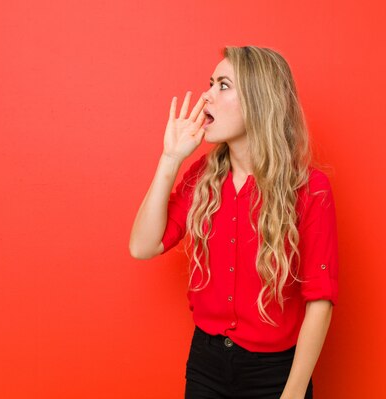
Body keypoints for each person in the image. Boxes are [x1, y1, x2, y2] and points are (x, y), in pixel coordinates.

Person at [129, 45, 339, 399]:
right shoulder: (202, 176)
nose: (207, 96)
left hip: (275, 374)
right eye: (210, 83)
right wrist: (170, 158)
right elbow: (142, 246)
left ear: (258, 101)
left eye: (223, 85)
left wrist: (293, 392)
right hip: (206, 365)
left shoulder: (310, 190)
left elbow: (320, 301)